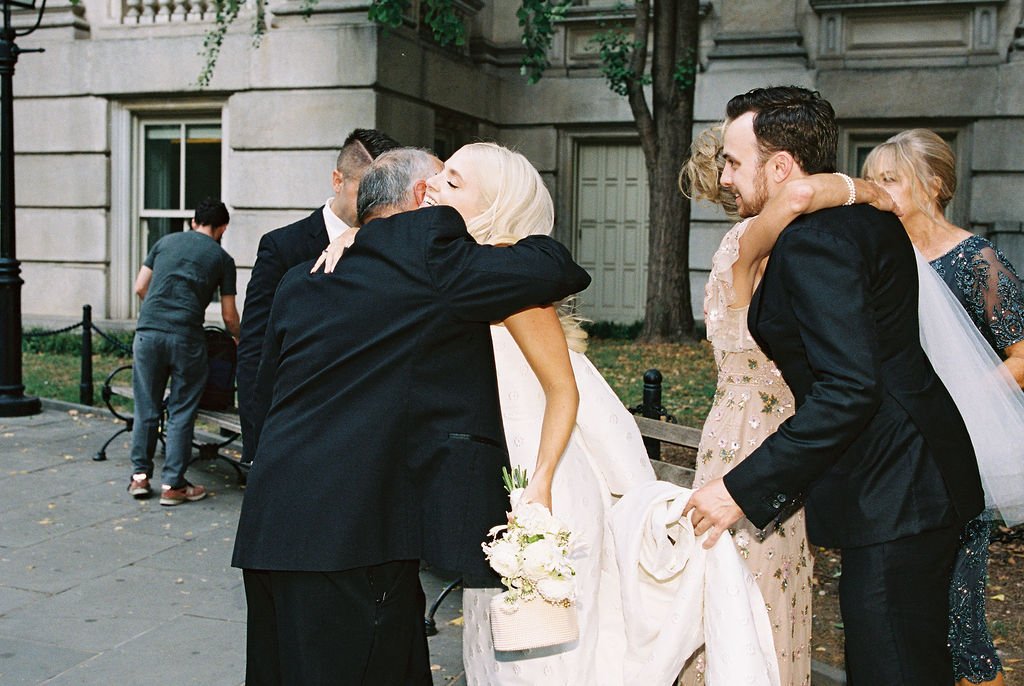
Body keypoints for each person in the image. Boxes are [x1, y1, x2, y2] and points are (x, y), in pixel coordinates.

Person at [320, 141, 802, 685]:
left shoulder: (507, 274)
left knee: (548, 654)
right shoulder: (447, 271)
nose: (432, 186)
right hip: (496, 485)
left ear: (493, 205)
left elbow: (562, 391)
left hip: (543, 482)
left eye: (453, 182)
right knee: (503, 642)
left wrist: (540, 486)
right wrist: (358, 241)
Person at [230, 147, 591, 686]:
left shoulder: (302, 278)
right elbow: (555, 266)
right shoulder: (428, 255)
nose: (445, 190)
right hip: (351, 540)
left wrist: (365, 236)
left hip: (270, 530)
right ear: (422, 199)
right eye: (440, 179)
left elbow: (261, 397)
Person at [684, 86, 985, 684]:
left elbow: (849, 390)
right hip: (913, 478)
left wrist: (738, 489)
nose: (725, 176)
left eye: (735, 161)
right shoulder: (859, 219)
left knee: (891, 663)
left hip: (898, 487)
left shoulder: (815, 241)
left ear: (779, 165)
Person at [679, 124, 897, 686]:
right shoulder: (756, 240)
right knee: (754, 598)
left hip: (737, 429)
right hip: (768, 441)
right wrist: (868, 190)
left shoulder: (745, 248)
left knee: (752, 594)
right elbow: (800, 195)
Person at [863, 129, 1024, 686]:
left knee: (961, 611)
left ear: (932, 185)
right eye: (872, 177)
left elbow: (1023, 355)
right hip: (892, 452)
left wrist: (957, 402)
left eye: (890, 178)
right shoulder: (879, 258)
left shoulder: (977, 260)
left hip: (960, 453)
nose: (875, 190)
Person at [235, 128, 400, 463]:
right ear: (337, 180)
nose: (376, 201)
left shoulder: (396, 245)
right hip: (298, 430)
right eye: (366, 188)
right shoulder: (283, 247)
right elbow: (256, 348)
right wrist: (257, 444)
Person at [127, 198, 239, 505]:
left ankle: (139, 478)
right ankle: (173, 486)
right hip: (186, 338)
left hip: (148, 333)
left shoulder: (164, 243)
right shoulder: (222, 259)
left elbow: (140, 287)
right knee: (180, 411)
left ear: (193, 222)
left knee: (146, 407)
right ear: (222, 228)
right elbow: (229, 315)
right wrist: (240, 339)